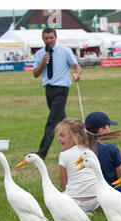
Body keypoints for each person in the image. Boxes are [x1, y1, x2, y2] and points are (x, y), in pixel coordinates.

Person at [32, 27, 82, 160]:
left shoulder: (65, 51)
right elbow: (35, 74)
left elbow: (76, 65)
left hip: (61, 89)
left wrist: (77, 74)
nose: (49, 41)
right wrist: (43, 62)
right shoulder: (39, 54)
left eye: (51, 38)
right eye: (46, 38)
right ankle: (81, 138)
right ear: (43, 39)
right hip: (49, 89)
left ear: (56, 37)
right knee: (63, 121)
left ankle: (41, 153)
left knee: (52, 121)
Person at [55, 118, 99, 217]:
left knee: (53, 200)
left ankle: (81, 211)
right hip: (96, 201)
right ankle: (88, 210)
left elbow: (63, 185)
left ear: (76, 137)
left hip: (76, 202)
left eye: (62, 136)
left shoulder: (64, 155)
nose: (59, 139)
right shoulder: (90, 152)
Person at [85, 111, 121, 192]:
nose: (110, 130)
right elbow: (120, 177)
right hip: (112, 192)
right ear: (101, 130)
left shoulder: (83, 150)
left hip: (90, 192)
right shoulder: (111, 148)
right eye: (108, 127)